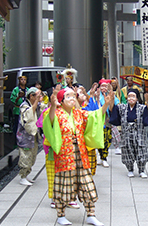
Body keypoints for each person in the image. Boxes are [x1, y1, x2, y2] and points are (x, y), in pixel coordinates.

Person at [43, 87, 114, 226]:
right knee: (64, 185)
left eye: (73, 96)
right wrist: (52, 104)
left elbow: (95, 116)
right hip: (65, 155)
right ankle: (61, 215)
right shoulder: (56, 113)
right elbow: (49, 122)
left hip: (81, 154)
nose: (72, 98)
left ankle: (91, 214)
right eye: (68, 96)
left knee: (87, 184)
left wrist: (105, 104)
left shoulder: (79, 113)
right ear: (61, 101)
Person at [109, 88, 148, 178]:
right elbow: (114, 112)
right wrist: (112, 100)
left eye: (133, 96)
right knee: (128, 151)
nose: (131, 98)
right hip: (126, 133)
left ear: (137, 98)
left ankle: (141, 170)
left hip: (139, 133)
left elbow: (146, 118)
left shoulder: (142, 108)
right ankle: (130, 169)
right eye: (129, 96)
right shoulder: (122, 107)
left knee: (141, 151)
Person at [16, 87, 43, 186]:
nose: (39, 97)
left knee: (32, 156)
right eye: (37, 95)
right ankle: (22, 176)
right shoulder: (24, 105)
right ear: (31, 96)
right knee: (25, 156)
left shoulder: (36, 105)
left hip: (33, 136)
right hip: (25, 137)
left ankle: (26, 175)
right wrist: (36, 102)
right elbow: (28, 116)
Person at [96, 79, 120, 168]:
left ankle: (104, 157)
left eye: (105, 86)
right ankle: (102, 157)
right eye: (102, 86)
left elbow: (114, 106)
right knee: (99, 139)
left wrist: (112, 98)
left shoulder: (111, 95)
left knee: (107, 138)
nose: (104, 88)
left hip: (107, 119)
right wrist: (97, 98)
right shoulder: (96, 95)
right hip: (98, 119)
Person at [10, 76, 29, 143]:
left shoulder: (27, 89)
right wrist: (18, 97)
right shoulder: (16, 89)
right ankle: (16, 139)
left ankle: (25, 138)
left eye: (24, 80)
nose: (23, 81)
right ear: (19, 81)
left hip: (26, 110)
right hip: (18, 109)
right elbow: (12, 99)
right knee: (17, 124)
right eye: (21, 80)